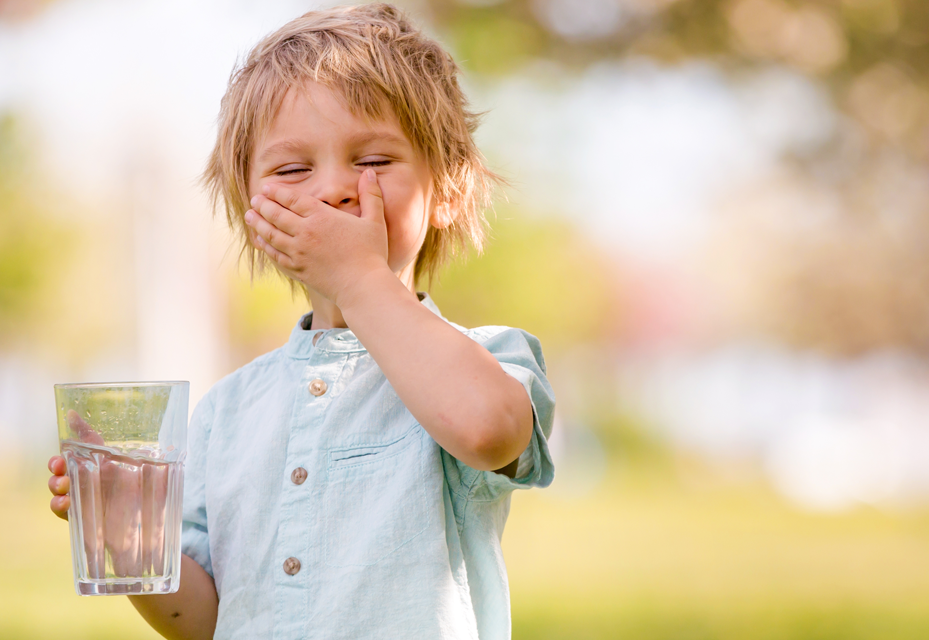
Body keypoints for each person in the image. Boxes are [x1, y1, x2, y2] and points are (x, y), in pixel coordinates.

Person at [45, 4, 554, 638]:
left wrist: (359, 278)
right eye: (291, 169)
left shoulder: (486, 360)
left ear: (447, 188)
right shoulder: (226, 412)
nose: (334, 188)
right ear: (251, 207)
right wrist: (132, 534)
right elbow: (209, 621)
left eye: (373, 160)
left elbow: (488, 431)